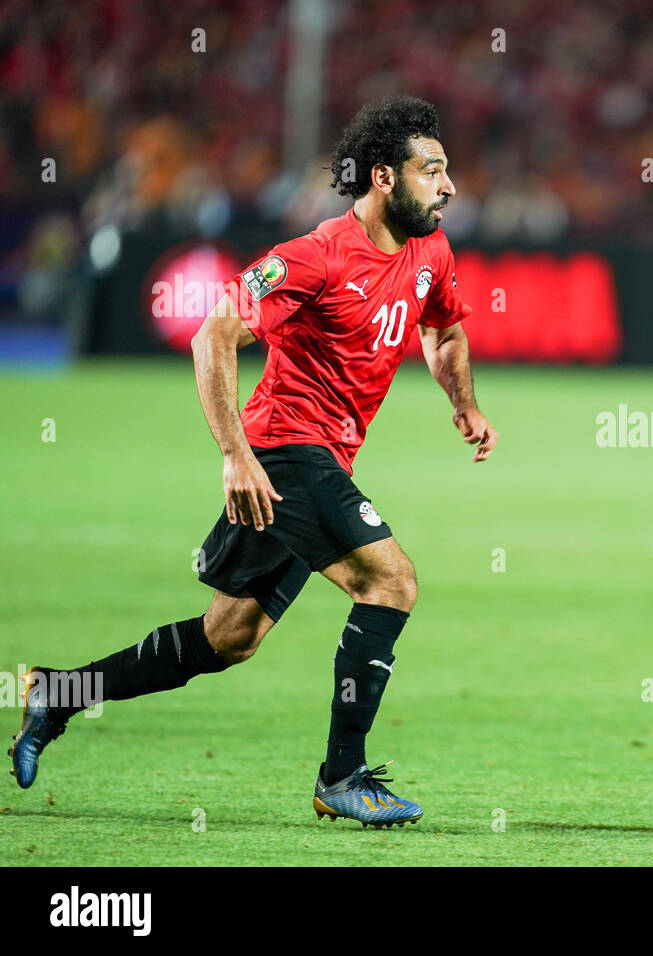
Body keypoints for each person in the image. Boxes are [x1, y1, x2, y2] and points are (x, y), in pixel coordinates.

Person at [10, 96, 497, 829]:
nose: (449, 185)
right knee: (391, 582)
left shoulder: (431, 251)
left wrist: (462, 402)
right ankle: (343, 777)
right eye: (432, 171)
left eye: (448, 170)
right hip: (283, 449)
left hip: (321, 458)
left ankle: (59, 693)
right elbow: (214, 335)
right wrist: (236, 454)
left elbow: (446, 330)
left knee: (227, 638)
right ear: (383, 178)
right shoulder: (315, 255)